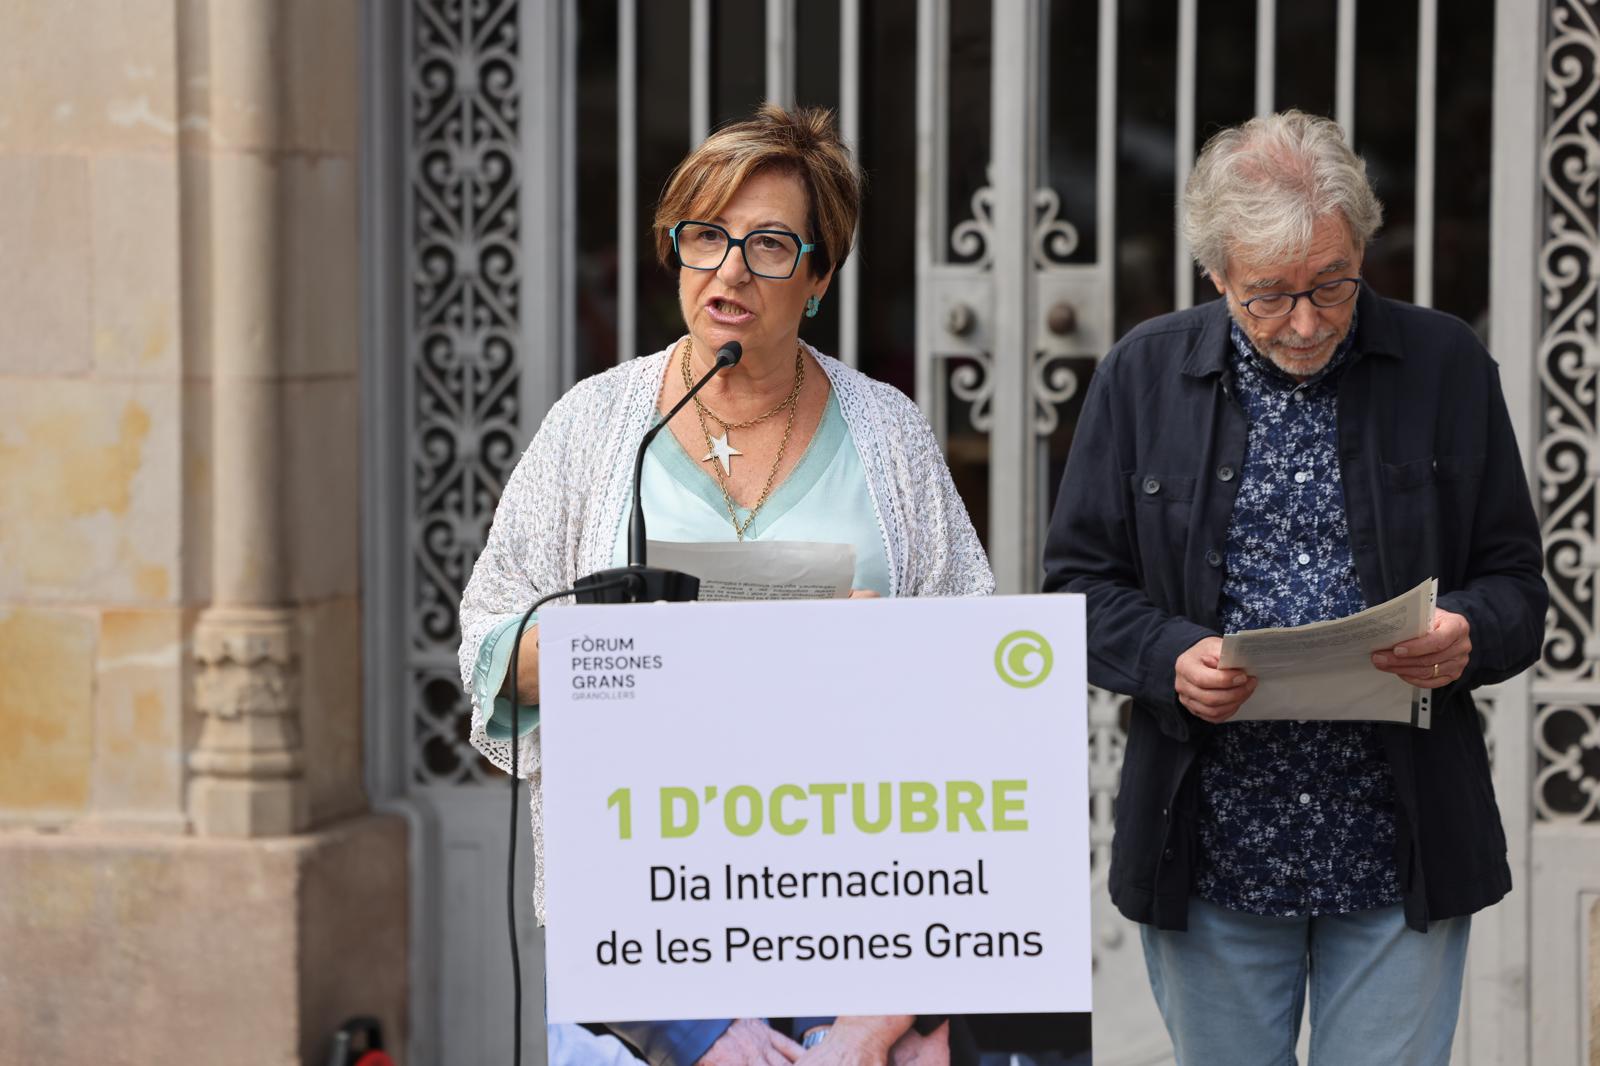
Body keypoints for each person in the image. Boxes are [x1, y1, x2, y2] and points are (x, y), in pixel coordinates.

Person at [458, 104, 992, 1065]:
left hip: (851, 919)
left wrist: (894, 658)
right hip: (644, 924)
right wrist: (634, 650)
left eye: (770, 245)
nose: (730, 271)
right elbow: (492, 645)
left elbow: (978, 675)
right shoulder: (594, 428)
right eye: (706, 236)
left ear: (820, 276)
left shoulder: (891, 434)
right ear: (676, 251)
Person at [1042, 111, 1546, 1065]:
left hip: (1399, 841)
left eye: (1332, 284)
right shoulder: (1143, 375)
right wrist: (1170, 659)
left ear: (1362, 249)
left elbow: (1518, 586)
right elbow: (1077, 589)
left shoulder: (1445, 366)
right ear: (1216, 274)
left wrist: (1465, 633)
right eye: (1269, 296)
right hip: (1212, 845)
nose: (1307, 323)